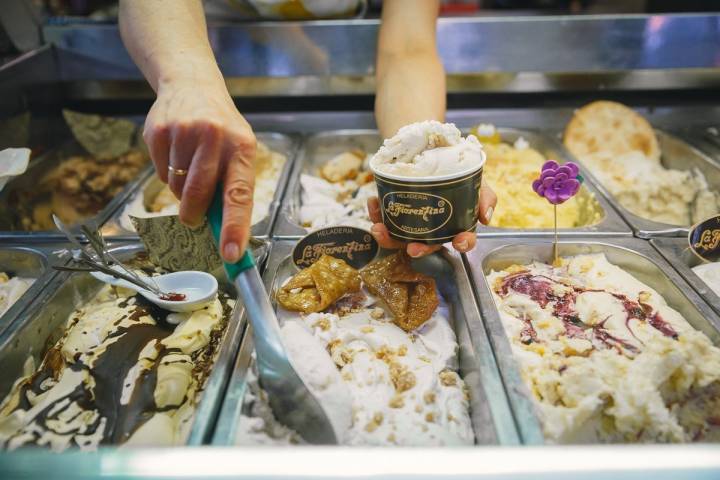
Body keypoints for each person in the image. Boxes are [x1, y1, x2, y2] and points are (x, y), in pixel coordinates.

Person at [119, 0, 496, 262]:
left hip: (341, 80)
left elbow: (408, 48)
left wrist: (421, 158)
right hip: (194, 68)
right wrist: (188, 82)